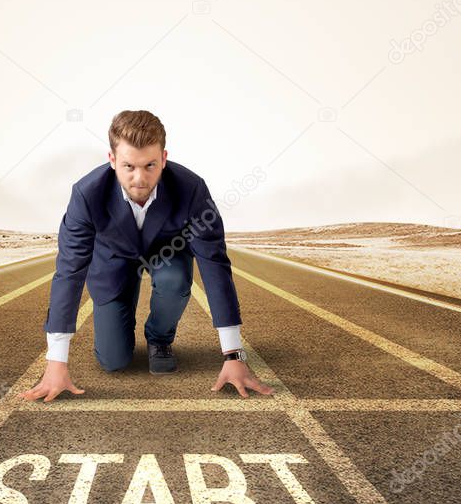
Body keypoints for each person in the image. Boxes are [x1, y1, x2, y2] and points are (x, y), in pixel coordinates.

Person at [21, 109, 274, 403]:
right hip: (112, 260)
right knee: (113, 361)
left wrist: (234, 355)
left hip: (167, 253)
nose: (139, 178)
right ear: (112, 160)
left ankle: (159, 338)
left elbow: (214, 263)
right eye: (128, 166)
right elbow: (69, 271)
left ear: (164, 159)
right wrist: (56, 363)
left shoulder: (192, 189)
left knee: (176, 278)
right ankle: (121, 328)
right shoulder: (86, 194)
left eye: (150, 165)